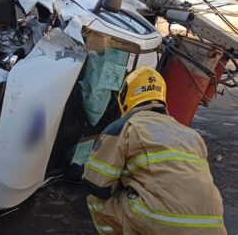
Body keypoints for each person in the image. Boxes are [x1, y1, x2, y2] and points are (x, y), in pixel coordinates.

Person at [82, 67, 226, 235]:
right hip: (212, 224)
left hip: (163, 221)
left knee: (96, 201)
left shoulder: (126, 126)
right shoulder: (191, 134)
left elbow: (98, 185)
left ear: (125, 96)